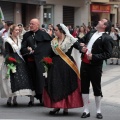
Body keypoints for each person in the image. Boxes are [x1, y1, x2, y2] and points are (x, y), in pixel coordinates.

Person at [43, 23, 83, 115]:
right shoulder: (54, 41)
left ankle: (66, 107)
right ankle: (56, 106)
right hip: (55, 66)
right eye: (54, 30)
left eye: (56, 30)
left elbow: (79, 47)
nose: (54, 32)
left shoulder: (70, 40)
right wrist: (46, 61)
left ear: (61, 30)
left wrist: (82, 48)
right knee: (56, 84)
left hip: (67, 65)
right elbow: (50, 53)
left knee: (66, 84)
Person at [79, 18, 113, 119]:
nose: (99, 21)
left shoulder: (107, 38)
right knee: (84, 86)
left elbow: (108, 54)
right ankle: (86, 110)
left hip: (95, 66)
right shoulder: (91, 32)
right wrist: (81, 47)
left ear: (104, 26)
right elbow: (81, 41)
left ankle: (98, 111)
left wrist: (94, 57)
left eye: (101, 21)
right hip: (84, 64)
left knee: (96, 87)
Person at [0, 24, 35, 106]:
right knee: (12, 80)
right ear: (12, 31)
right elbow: (7, 53)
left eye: (18, 30)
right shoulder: (8, 41)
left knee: (22, 79)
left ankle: (15, 99)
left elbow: (22, 50)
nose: (18, 32)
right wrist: (9, 61)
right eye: (16, 30)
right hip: (11, 60)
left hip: (19, 61)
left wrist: (28, 50)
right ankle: (10, 99)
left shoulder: (20, 39)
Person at [20, 18, 52, 106]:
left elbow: (47, 49)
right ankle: (31, 99)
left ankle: (42, 98)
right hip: (30, 61)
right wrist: (27, 49)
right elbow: (22, 48)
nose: (30, 25)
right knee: (31, 80)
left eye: (32, 24)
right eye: (30, 23)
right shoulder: (26, 35)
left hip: (40, 62)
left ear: (38, 25)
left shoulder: (44, 35)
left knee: (41, 80)